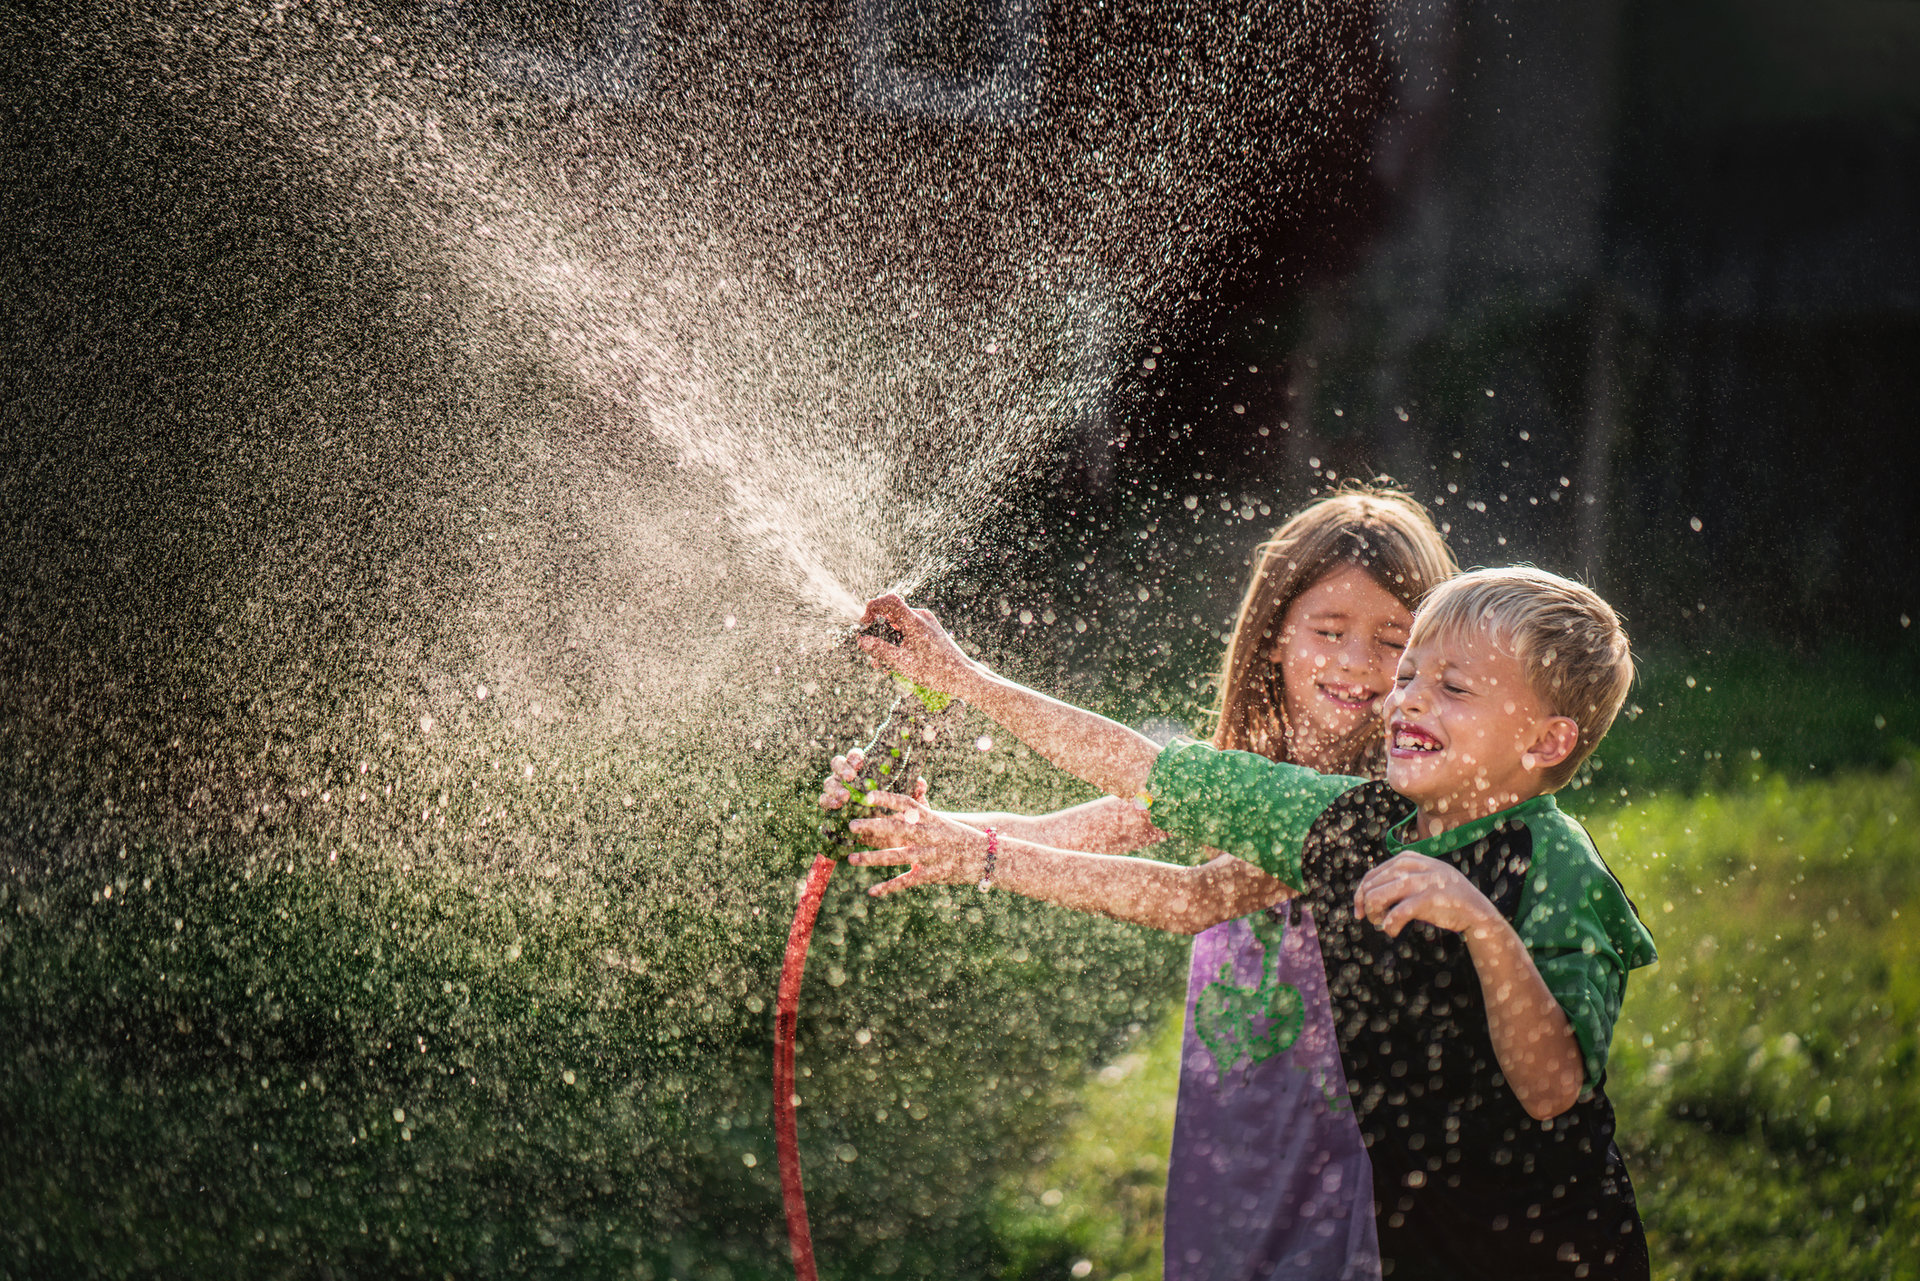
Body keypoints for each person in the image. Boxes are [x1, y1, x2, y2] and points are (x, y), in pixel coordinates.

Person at [840, 566, 1657, 1280]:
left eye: (1452, 686)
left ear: (1547, 739)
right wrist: (965, 679)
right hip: (1420, 1247)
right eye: (1410, 675)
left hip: (1554, 1251)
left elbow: (1551, 1091)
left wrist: (1485, 927)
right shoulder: (1352, 822)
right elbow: (1149, 774)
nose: (1405, 696)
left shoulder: (1557, 866)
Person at [824, 486, 1456, 1280]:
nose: (1358, 662)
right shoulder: (1246, 773)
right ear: (1274, 639)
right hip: (1237, 1127)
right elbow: (1069, 827)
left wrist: (975, 844)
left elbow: (1193, 898)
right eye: (1330, 631)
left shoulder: (1375, 810)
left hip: (1341, 1144)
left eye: (1391, 639)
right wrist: (917, 822)